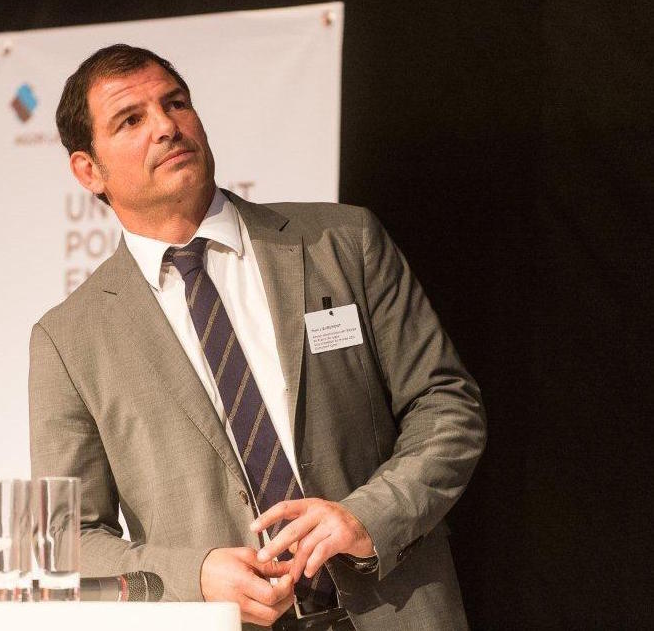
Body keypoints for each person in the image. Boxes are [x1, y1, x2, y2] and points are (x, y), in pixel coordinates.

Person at [29, 44, 486, 630]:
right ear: (88, 171)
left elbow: (447, 405)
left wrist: (368, 518)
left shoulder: (342, 243)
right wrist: (193, 578)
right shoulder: (69, 339)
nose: (166, 126)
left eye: (176, 103)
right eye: (131, 120)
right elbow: (67, 540)